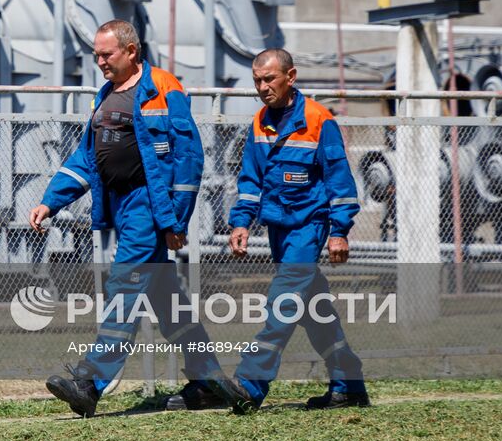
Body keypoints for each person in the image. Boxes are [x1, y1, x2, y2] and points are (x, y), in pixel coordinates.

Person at [29, 20, 252, 417]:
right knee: (165, 299)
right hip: (122, 205)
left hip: (151, 207)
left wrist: (176, 221)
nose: (99, 62)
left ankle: (90, 381)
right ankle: (208, 378)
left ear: (131, 51)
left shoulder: (164, 89)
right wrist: (51, 202)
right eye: (96, 54)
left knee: (124, 285)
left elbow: (188, 157)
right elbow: (86, 157)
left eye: (106, 54)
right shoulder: (106, 95)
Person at [221, 47, 370, 410]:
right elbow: (251, 180)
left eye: (269, 79)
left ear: (291, 77)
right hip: (278, 231)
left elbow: (340, 183)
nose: (262, 86)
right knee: (314, 311)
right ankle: (348, 383)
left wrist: (339, 231)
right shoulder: (260, 122)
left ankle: (251, 383)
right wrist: (241, 222)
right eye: (257, 80)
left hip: (309, 227)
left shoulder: (319, 121)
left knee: (282, 302)